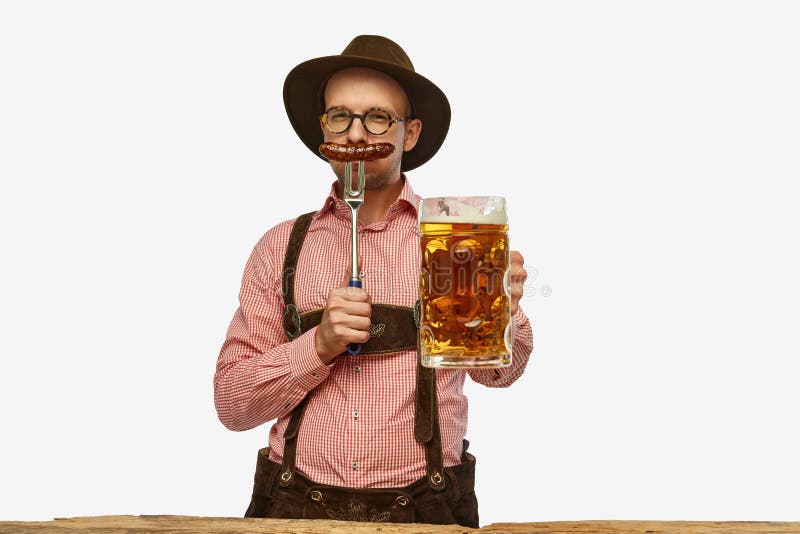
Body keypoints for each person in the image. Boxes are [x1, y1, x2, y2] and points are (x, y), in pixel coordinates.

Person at [214, 35, 533, 528]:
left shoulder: (454, 242)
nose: (358, 135)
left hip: (428, 511)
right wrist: (316, 346)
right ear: (325, 129)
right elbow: (232, 404)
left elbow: (499, 375)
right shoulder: (282, 246)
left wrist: (501, 315)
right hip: (295, 509)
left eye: (378, 117)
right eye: (341, 117)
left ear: (409, 133)